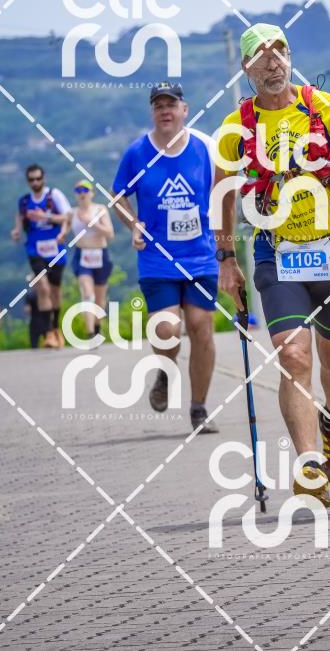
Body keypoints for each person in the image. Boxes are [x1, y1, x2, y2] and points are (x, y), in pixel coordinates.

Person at [214, 24, 330, 507]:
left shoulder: (320, 106)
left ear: (290, 58)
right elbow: (222, 191)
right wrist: (226, 258)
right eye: (262, 55)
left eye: (280, 52)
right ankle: (309, 465)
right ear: (246, 67)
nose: (273, 62)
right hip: (275, 254)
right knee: (293, 356)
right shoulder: (236, 126)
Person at [111, 82, 219, 433]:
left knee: (201, 327)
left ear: (184, 110)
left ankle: (199, 408)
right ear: (152, 112)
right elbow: (117, 196)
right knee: (167, 328)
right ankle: (164, 371)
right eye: (158, 106)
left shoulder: (204, 148)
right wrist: (134, 224)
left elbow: (223, 192)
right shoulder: (137, 153)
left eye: (171, 104)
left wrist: (224, 241)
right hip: (157, 258)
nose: (165, 111)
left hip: (200, 255)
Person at [10, 164, 70, 348]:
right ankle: (48, 333)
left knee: (55, 291)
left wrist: (46, 217)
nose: (35, 182)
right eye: (31, 179)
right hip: (35, 250)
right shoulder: (24, 201)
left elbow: (67, 216)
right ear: (28, 181)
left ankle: (56, 327)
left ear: (43, 178)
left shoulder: (54, 195)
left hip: (55, 249)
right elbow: (20, 217)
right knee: (42, 287)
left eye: (38, 178)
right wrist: (16, 231)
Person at [66, 179, 115, 341]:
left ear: (92, 193)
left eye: (85, 190)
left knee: (100, 299)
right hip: (82, 255)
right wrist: (61, 234)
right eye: (78, 191)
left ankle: (97, 326)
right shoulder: (71, 213)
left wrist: (91, 223)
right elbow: (62, 224)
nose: (82, 194)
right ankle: (90, 333)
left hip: (100, 254)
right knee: (88, 294)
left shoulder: (100, 210)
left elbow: (110, 233)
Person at [24, 275, 46, 349]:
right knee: (48, 341)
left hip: (34, 321)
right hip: (45, 320)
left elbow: (27, 309)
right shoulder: (44, 293)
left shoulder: (30, 294)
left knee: (34, 344)